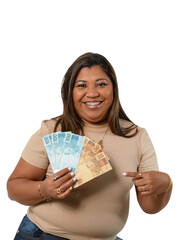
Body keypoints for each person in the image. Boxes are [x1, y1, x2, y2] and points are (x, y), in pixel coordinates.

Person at [7, 52, 173, 240]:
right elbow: (13, 188)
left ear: (114, 89)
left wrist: (166, 185)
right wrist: (44, 190)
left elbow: (149, 207)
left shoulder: (137, 136)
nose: (92, 93)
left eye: (101, 84)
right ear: (70, 92)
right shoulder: (53, 130)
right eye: (82, 86)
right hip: (43, 235)